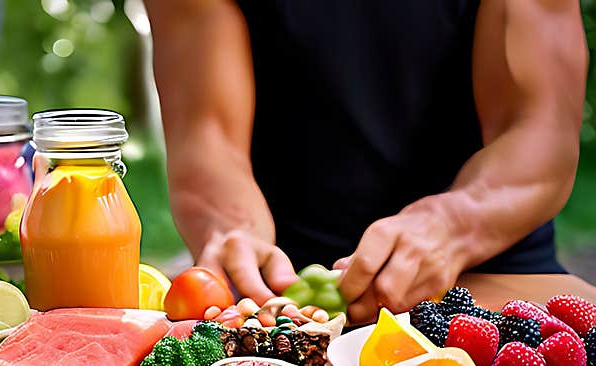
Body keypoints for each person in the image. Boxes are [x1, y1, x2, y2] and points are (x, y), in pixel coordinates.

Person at [145, 0, 588, 322]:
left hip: (493, 278)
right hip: (287, 300)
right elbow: (208, 132)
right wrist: (232, 229)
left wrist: (452, 224)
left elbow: (540, 131)